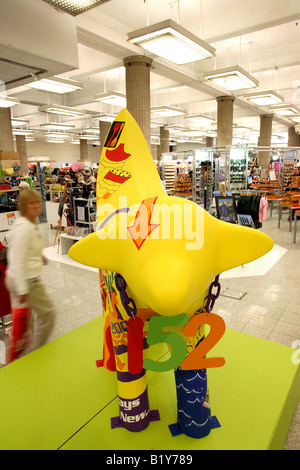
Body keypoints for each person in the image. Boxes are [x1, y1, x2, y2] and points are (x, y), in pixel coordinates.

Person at [5, 189, 56, 359]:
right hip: (27, 279)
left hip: (18, 278)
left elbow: (17, 247)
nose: (36, 206)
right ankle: (35, 352)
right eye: (31, 202)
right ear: (23, 206)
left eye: (38, 202)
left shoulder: (26, 225)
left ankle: (24, 351)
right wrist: (22, 289)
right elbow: (16, 258)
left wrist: (38, 256)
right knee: (48, 313)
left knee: (26, 319)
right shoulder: (25, 228)